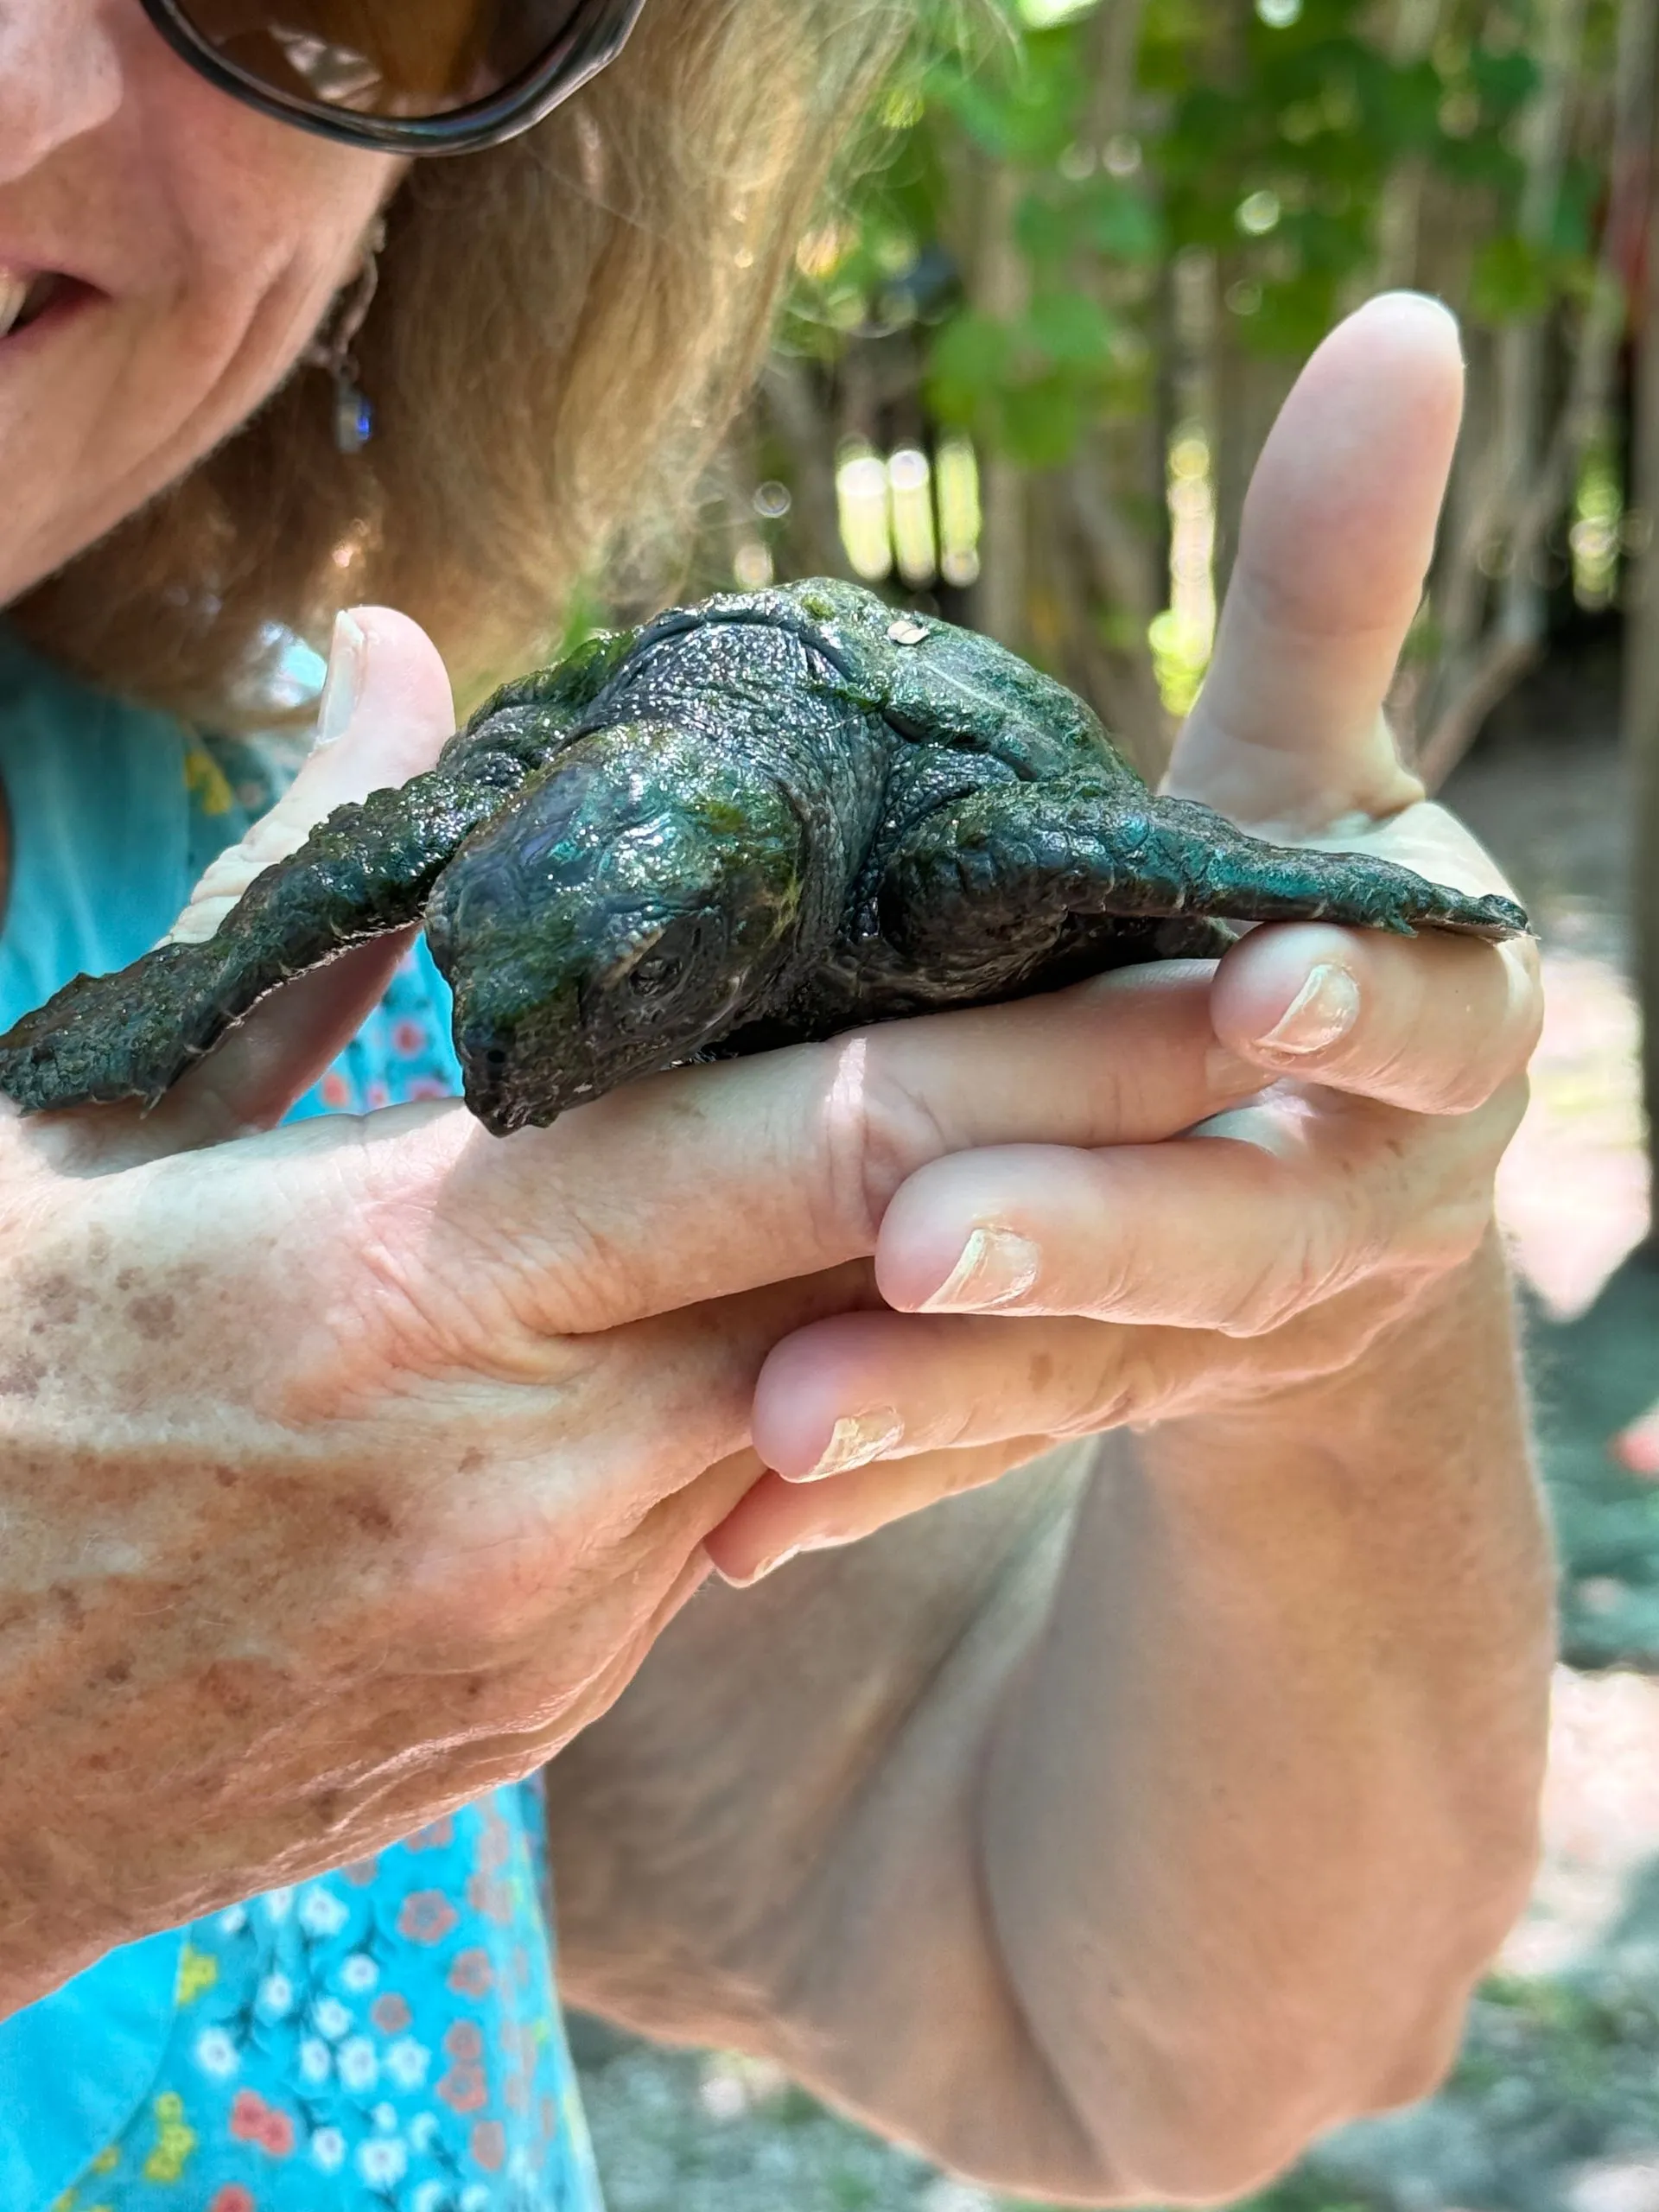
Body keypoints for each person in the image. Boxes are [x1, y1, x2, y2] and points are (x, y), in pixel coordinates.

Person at [0, 3, 1554, 2209]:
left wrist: (1306, 1249)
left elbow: (1142, 2050)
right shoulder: (383, 897)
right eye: (483, 1002)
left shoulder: (247, 817)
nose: (24, 88)